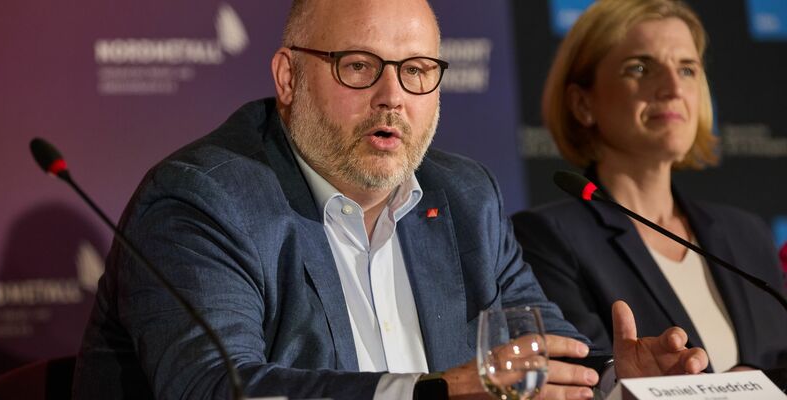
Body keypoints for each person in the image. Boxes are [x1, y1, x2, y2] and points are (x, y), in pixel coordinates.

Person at [72, 0, 708, 399]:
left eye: (417, 70)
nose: (392, 96)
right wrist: (434, 393)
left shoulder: (465, 198)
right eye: (358, 66)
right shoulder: (204, 200)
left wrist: (618, 380)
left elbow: (541, 358)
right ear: (287, 77)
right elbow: (216, 388)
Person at [513, 0, 786, 375]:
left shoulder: (747, 234)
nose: (673, 88)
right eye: (640, 68)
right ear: (582, 103)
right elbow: (585, 380)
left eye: (687, 69)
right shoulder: (546, 240)